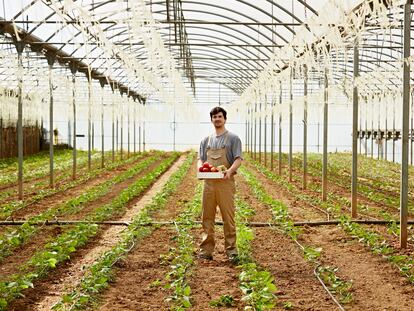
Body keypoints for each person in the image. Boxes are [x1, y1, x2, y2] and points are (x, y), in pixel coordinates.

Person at [198, 106, 243, 263]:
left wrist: (230, 171)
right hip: (209, 184)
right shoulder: (206, 140)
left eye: (219, 116)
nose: (217, 119)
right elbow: (201, 159)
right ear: (211, 120)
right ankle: (206, 250)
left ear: (224, 119)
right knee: (207, 217)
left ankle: (231, 250)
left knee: (228, 217)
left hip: (225, 183)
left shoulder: (233, 139)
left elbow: (238, 158)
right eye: (214, 117)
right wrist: (200, 168)